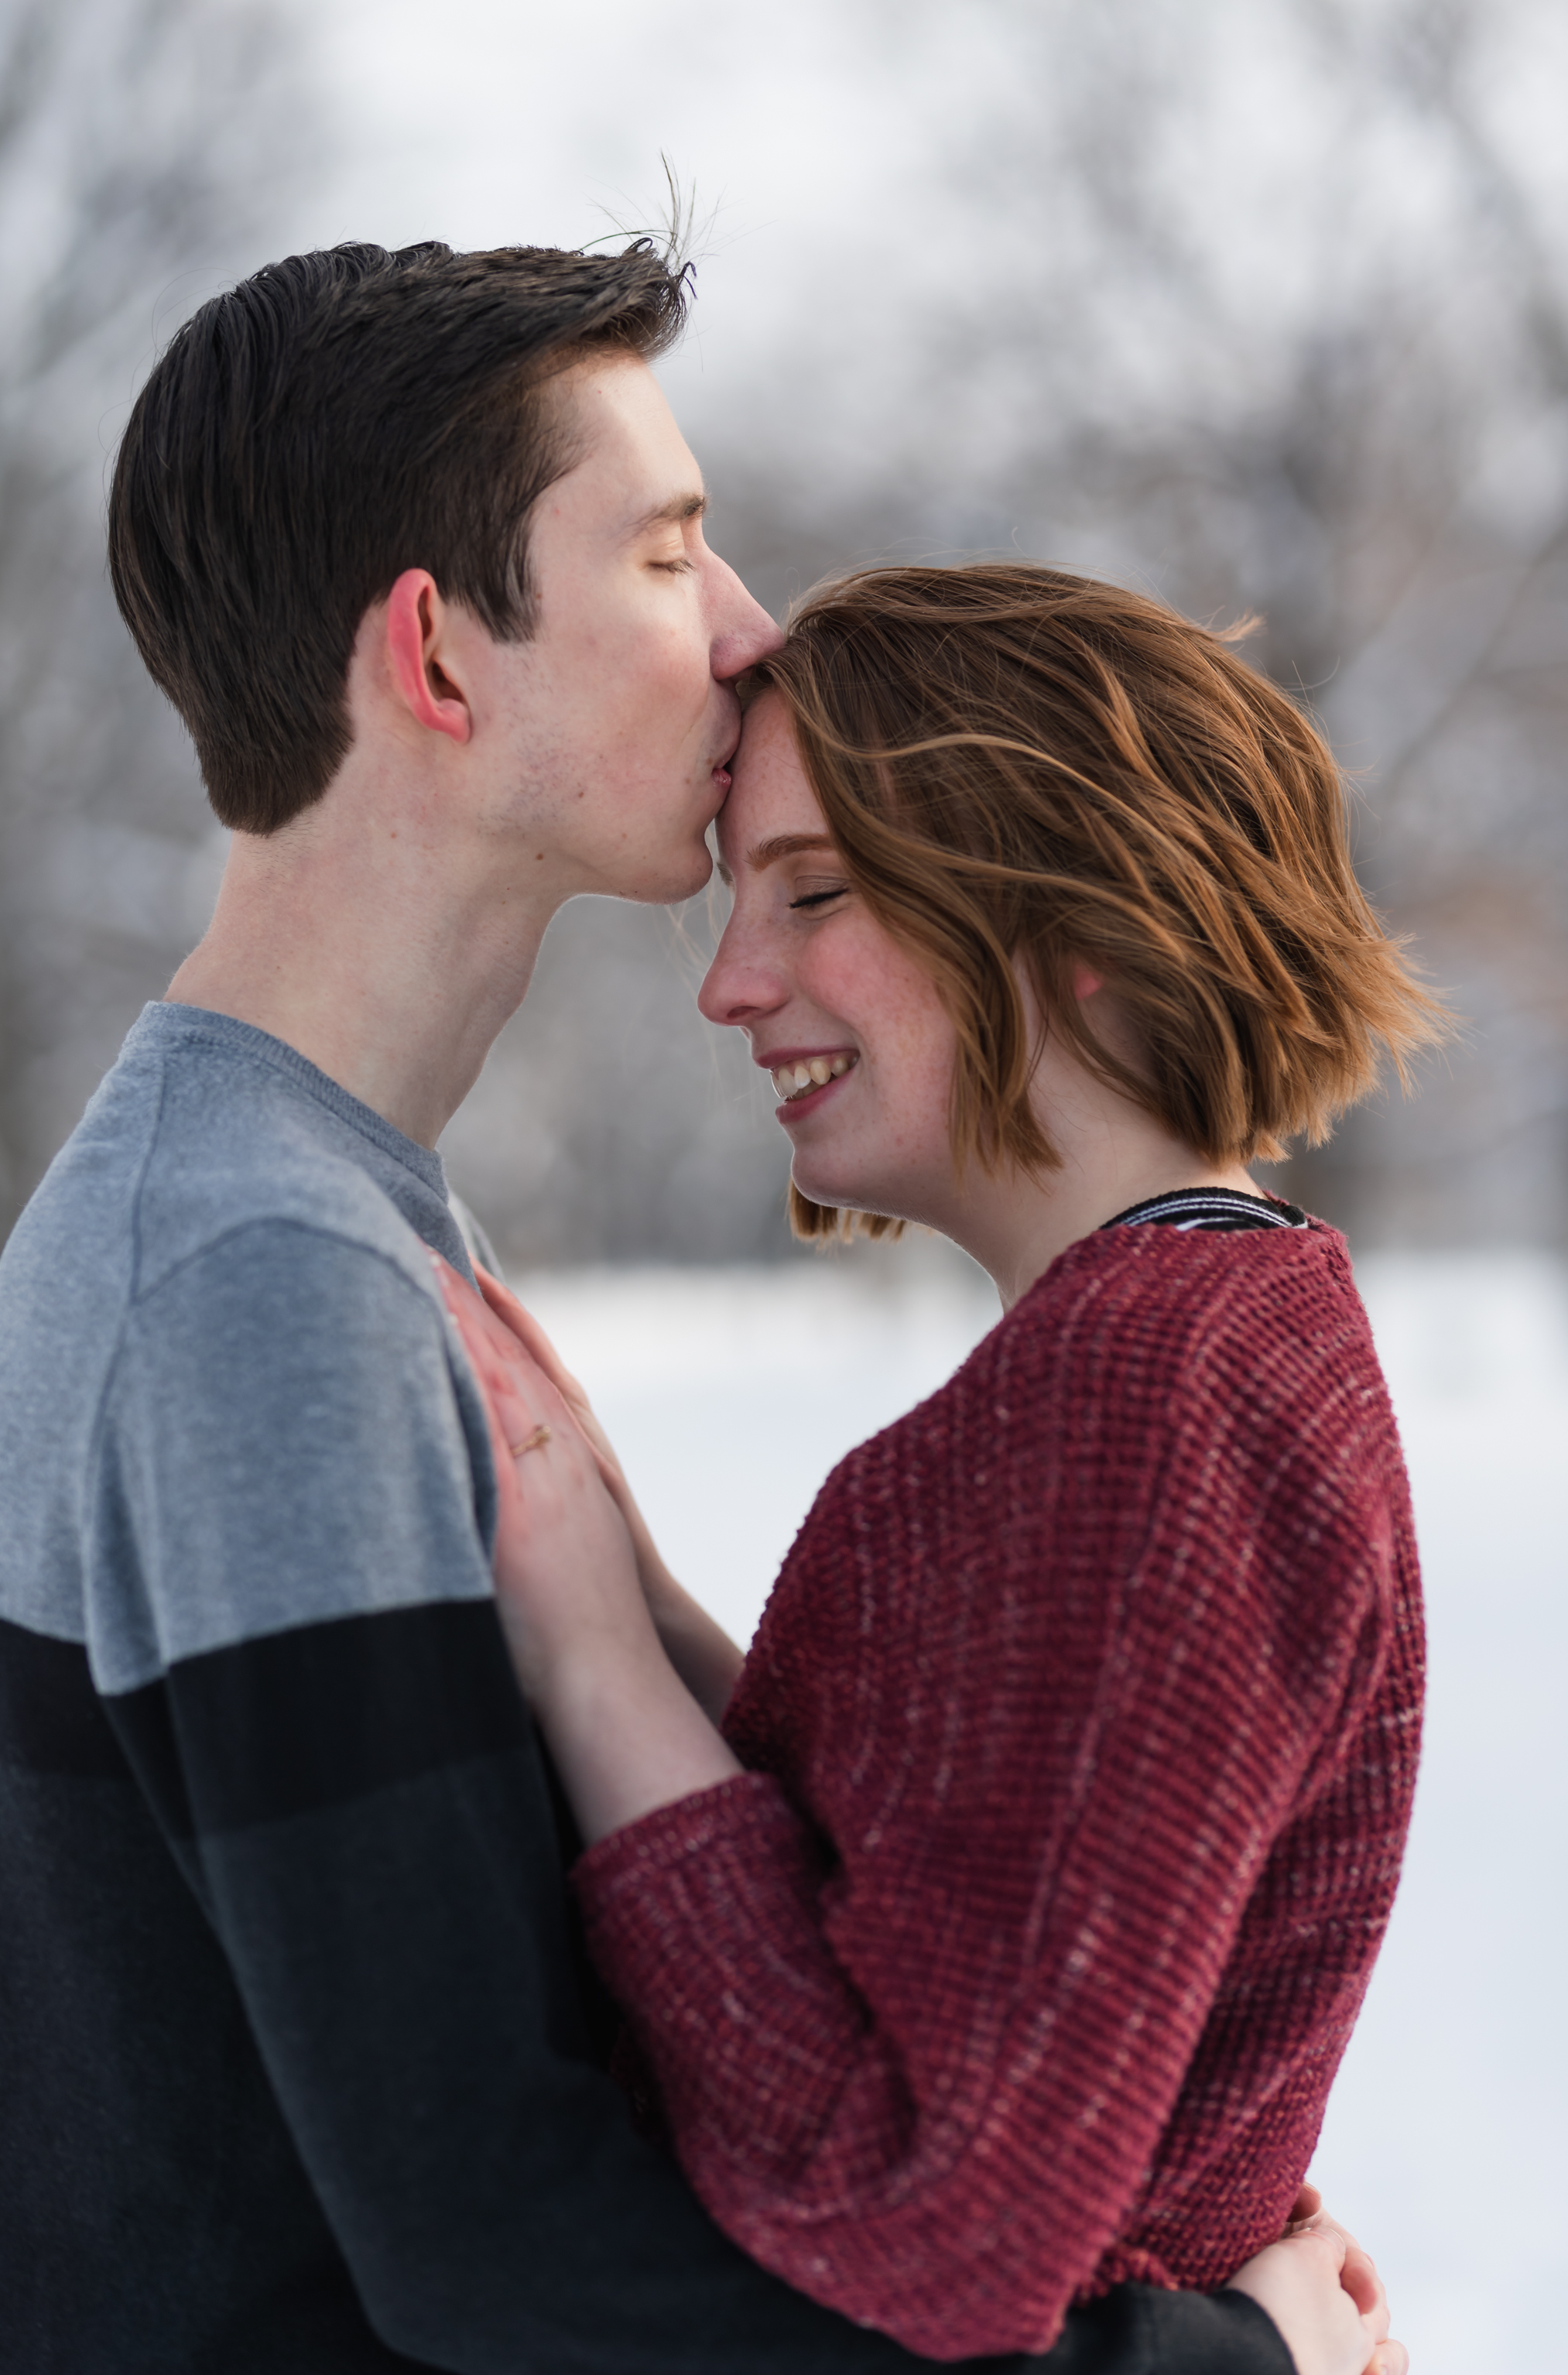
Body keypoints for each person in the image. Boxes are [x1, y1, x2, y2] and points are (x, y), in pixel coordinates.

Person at [0, 238, 1396, 2375]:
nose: (745, 630)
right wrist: (1223, 2358)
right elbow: (504, 2246)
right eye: (666, 552)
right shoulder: (259, 1274)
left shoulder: (325, 1219)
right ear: (440, 665)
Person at [437, 565, 1442, 2366]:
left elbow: (928, 2205)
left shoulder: (1148, 1396)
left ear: (1082, 908)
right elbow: (993, 1873)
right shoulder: (1216, 1329)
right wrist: (659, 1618)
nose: (729, 986)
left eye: (813, 890)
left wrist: (593, 1665)